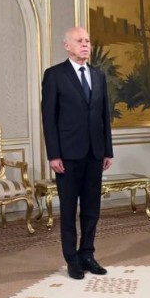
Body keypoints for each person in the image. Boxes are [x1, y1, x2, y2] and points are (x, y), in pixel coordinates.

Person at [41, 27, 113, 280]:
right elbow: (49, 118)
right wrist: (53, 155)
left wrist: (107, 150)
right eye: (79, 41)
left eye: (87, 41)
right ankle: (72, 259)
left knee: (92, 209)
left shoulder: (98, 75)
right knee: (69, 209)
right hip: (68, 155)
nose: (85, 45)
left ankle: (88, 255)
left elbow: (104, 116)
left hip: (95, 153)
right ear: (67, 46)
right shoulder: (54, 75)